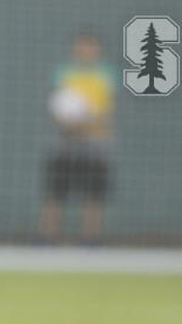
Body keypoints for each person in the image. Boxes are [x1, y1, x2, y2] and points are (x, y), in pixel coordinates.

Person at [39, 32, 115, 244]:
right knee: (55, 191)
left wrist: (87, 121)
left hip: (96, 144)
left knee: (94, 193)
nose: (86, 51)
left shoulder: (106, 75)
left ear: (97, 50)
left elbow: (106, 111)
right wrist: (68, 123)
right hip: (65, 143)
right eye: (81, 46)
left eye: (90, 47)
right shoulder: (64, 73)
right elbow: (57, 105)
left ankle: (90, 239)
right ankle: (48, 238)